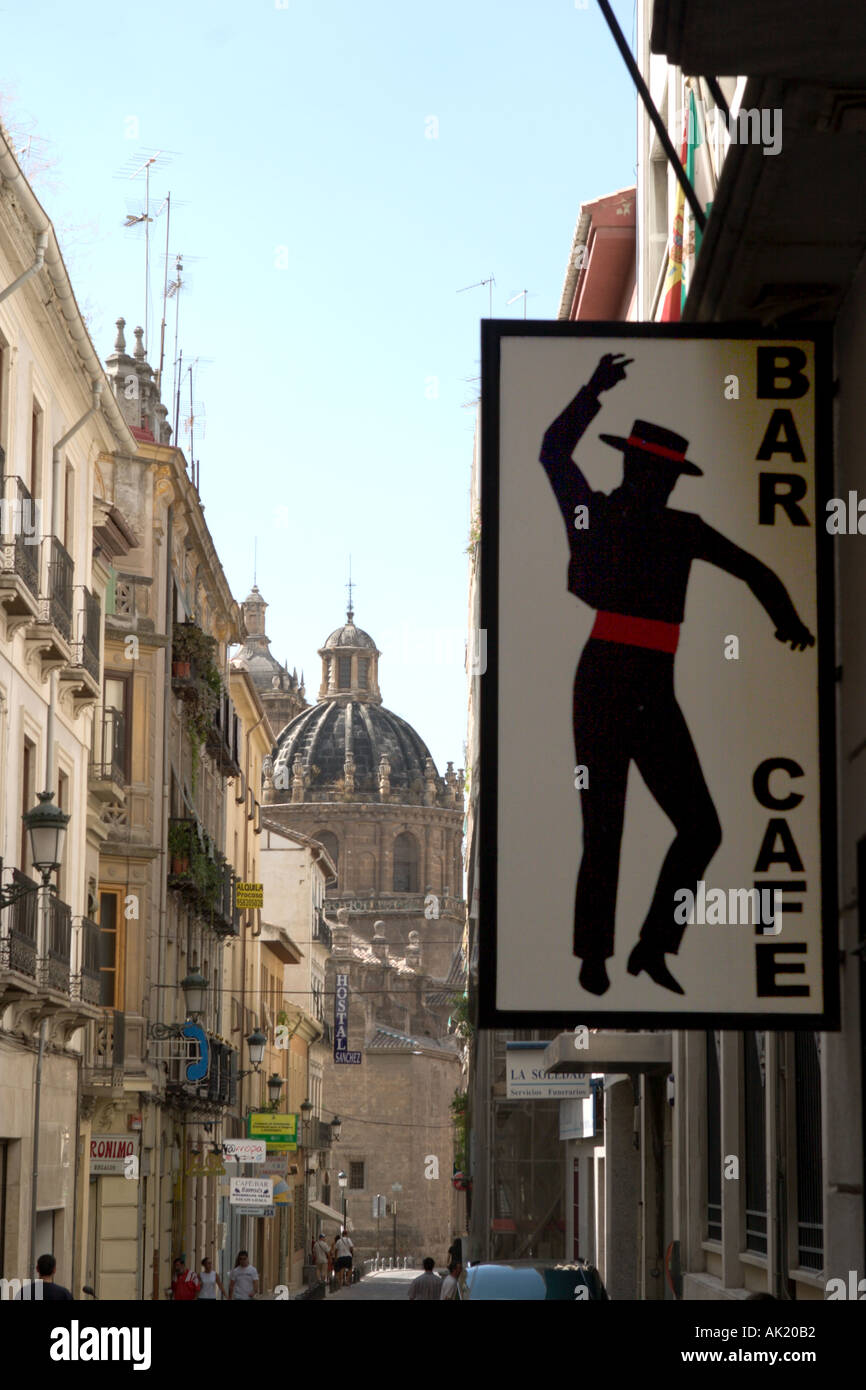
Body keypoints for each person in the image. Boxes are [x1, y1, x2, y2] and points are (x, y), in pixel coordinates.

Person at [540, 352, 815, 997]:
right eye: (655, 470)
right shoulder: (602, 514)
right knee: (605, 822)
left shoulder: (665, 525)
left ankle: (651, 945)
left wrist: (786, 620)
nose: (658, 482)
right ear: (640, 467)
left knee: (701, 827)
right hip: (607, 674)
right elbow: (552, 451)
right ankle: (595, 957)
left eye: (665, 475)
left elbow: (754, 570)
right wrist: (592, 389)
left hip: (642, 682)